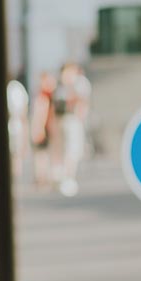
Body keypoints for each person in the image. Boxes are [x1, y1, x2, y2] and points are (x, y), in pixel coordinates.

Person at [57, 62, 92, 197]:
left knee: (72, 149)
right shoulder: (65, 85)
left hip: (72, 119)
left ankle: (67, 176)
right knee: (70, 149)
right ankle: (66, 177)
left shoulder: (78, 83)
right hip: (68, 119)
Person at [31, 70, 58, 188]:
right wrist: (39, 129)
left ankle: (43, 176)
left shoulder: (47, 97)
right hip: (45, 128)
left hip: (46, 128)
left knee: (43, 154)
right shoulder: (44, 97)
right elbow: (40, 115)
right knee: (42, 154)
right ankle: (42, 177)